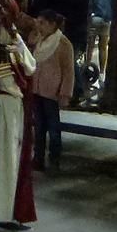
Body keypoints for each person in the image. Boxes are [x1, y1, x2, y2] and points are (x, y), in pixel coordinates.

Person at [0, 0, 37, 232]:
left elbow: (29, 65)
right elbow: (25, 67)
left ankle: (6, 212)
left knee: (11, 159)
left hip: (11, 102)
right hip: (2, 102)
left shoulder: (10, 35)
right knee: (2, 160)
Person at [30, 9, 74, 171]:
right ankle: (38, 158)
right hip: (38, 89)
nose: (39, 26)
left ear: (52, 24)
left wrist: (65, 93)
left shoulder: (63, 44)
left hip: (52, 91)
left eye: (43, 23)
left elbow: (68, 70)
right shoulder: (40, 41)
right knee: (39, 127)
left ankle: (55, 158)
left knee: (54, 127)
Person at [55, 0, 90, 104]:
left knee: (72, 61)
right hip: (65, 29)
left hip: (76, 30)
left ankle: (79, 90)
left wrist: (67, 18)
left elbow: (81, 11)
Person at [86, 0, 115, 83]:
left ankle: (87, 67)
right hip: (106, 19)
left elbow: (89, 2)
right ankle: (102, 72)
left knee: (90, 45)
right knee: (103, 47)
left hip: (93, 18)